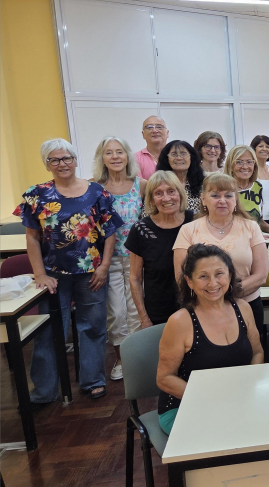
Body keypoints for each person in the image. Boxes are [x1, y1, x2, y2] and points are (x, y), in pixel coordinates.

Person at [156, 244, 269, 487]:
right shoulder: (181, 321)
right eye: (203, 276)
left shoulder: (243, 308)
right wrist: (211, 401)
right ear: (189, 282)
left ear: (230, 275)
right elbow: (164, 378)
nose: (213, 283)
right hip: (183, 407)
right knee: (227, 440)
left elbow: (257, 352)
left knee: (263, 436)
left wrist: (248, 386)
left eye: (219, 274)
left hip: (236, 403)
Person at [14, 138, 122, 402]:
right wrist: (40, 274)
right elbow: (32, 237)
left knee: (93, 328)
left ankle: (93, 381)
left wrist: (104, 267)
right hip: (53, 275)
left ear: (75, 160)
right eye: (54, 159)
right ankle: (44, 391)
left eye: (67, 158)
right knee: (50, 331)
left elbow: (109, 232)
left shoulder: (97, 192)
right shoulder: (37, 195)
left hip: (92, 274)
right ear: (47, 164)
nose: (62, 163)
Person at [173, 173, 269, 340]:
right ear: (203, 199)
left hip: (248, 306)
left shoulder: (251, 227)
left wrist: (225, 293)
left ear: (236, 199)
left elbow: (261, 275)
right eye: (215, 195)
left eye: (228, 195)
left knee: (251, 352)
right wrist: (214, 298)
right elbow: (182, 276)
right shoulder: (188, 230)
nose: (222, 200)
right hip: (202, 310)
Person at [93, 136, 146, 382]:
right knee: (115, 313)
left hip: (138, 258)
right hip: (109, 259)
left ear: (127, 156)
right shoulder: (94, 187)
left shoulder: (141, 185)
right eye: (109, 152)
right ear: (102, 158)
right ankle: (122, 359)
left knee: (137, 309)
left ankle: (138, 358)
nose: (115, 156)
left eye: (119, 151)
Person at [126, 171, 195, 327]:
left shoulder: (195, 221)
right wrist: (144, 318)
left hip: (196, 309)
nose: (166, 198)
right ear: (151, 199)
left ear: (180, 194)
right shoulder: (140, 229)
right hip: (158, 313)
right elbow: (135, 278)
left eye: (171, 191)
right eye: (158, 193)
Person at [225, 144, 269, 233]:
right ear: (231, 165)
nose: (245, 167)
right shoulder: (224, 189)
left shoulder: (257, 187)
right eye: (239, 162)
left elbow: (259, 222)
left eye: (249, 162)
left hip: (255, 238)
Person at [156, 140, 204, 213]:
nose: (179, 158)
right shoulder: (157, 183)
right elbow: (149, 212)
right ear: (166, 158)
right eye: (174, 154)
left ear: (191, 157)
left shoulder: (203, 184)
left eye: (183, 154)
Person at [250, 135, 269, 228]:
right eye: (260, 146)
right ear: (253, 149)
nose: (264, 149)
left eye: (268, 146)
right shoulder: (250, 170)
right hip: (255, 221)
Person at [136, 116, 168, 180]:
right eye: (149, 127)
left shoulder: (176, 155)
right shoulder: (135, 158)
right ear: (143, 134)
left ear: (167, 133)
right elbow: (138, 184)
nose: (155, 131)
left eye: (159, 127)